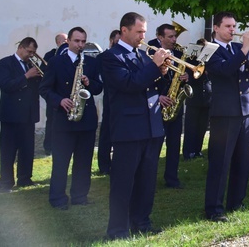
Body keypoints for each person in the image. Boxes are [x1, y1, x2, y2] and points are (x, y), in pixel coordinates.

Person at [98, 12, 171, 239]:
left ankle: (142, 221)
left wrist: (162, 72)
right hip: (128, 129)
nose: (143, 36)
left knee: (147, 181)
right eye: (139, 31)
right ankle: (118, 230)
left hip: (151, 125)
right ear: (124, 30)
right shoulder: (111, 57)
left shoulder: (142, 55)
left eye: (144, 31)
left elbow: (150, 85)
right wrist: (153, 67)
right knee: (123, 183)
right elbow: (130, 84)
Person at [204, 12, 249, 222]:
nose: (233, 30)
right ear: (216, 28)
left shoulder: (239, 49)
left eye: (234, 26)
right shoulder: (209, 49)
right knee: (220, 162)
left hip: (246, 110)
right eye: (228, 26)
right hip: (225, 112)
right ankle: (213, 208)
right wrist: (246, 48)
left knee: (243, 160)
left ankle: (236, 201)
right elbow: (225, 70)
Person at [39, 27, 103, 209]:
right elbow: (44, 89)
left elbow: (99, 88)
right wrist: (60, 101)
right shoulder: (55, 62)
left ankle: (80, 196)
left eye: (83, 41)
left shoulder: (91, 62)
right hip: (64, 121)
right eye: (77, 41)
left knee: (84, 162)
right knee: (61, 163)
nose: (80, 45)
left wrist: (90, 83)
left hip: (86, 120)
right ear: (68, 41)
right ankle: (58, 199)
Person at [0, 37, 42, 192]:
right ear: (21, 47)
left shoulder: (31, 65)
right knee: (8, 150)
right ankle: (5, 182)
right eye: (29, 52)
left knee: (27, 148)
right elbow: (5, 85)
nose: (31, 55)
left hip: (28, 114)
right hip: (11, 115)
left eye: (33, 53)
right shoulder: (5, 63)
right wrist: (26, 76)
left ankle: (25, 178)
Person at [149, 23, 187, 189]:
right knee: (154, 146)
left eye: (175, 36)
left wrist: (187, 76)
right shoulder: (150, 51)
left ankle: (172, 178)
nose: (174, 39)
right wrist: (158, 97)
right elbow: (146, 78)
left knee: (174, 144)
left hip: (174, 103)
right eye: (170, 37)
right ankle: (149, 179)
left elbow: (189, 71)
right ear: (160, 37)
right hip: (158, 103)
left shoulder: (179, 52)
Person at [97, 29, 120, 176]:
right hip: (110, 97)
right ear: (111, 41)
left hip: (122, 99)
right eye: (117, 41)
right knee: (106, 131)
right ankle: (104, 164)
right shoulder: (103, 57)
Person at [183, 38, 211, 160]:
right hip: (194, 97)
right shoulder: (190, 61)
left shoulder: (210, 61)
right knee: (191, 127)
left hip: (207, 99)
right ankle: (188, 152)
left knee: (202, 127)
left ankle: (198, 150)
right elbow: (189, 77)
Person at [42, 33, 68, 155]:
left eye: (67, 40)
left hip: (66, 93)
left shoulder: (69, 53)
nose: (66, 42)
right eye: (63, 40)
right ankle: (49, 146)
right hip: (53, 93)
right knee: (51, 120)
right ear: (57, 42)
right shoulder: (50, 55)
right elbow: (43, 71)